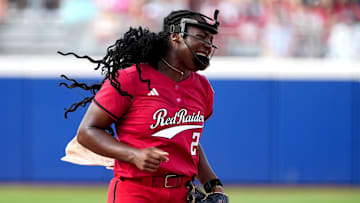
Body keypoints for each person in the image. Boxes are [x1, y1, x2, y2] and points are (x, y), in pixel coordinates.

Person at [59, 9, 226, 203]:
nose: (208, 45)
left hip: (182, 193)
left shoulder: (203, 88)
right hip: (136, 191)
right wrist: (133, 154)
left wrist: (213, 184)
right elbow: (87, 131)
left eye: (211, 41)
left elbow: (190, 141)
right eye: (202, 37)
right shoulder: (131, 79)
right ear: (175, 36)